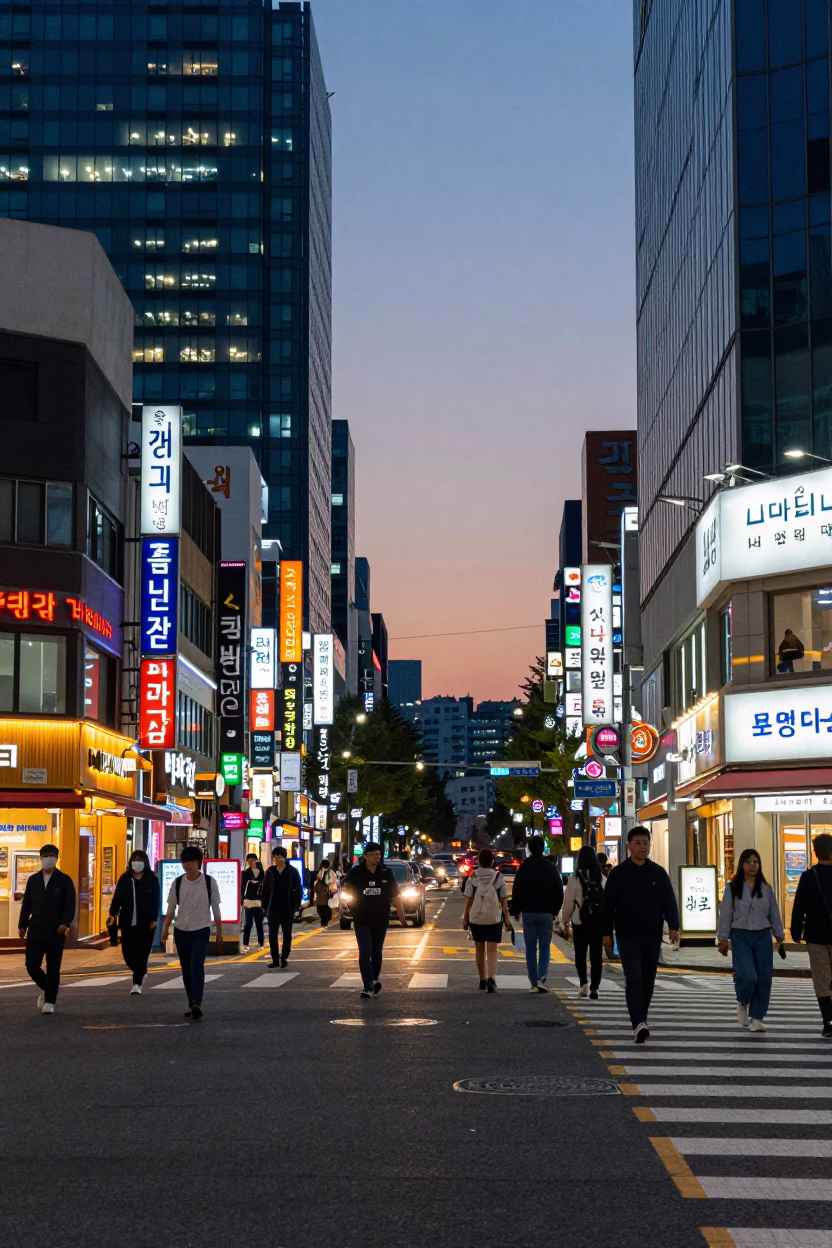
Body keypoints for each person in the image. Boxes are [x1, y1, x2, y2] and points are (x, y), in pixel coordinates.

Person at [602, 826, 680, 1043]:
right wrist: (606, 933)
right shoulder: (618, 874)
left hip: (652, 934)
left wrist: (674, 926)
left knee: (648, 980)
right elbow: (608, 907)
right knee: (634, 977)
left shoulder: (658, 873)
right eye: (637, 842)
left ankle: (641, 1021)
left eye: (646, 842)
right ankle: (638, 1022)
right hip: (627, 935)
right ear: (629, 847)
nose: (642, 846)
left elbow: (669, 901)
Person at [718, 848, 785, 1032]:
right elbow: (725, 914)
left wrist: (779, 934)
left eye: (755, 862)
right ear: (742, 865)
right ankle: (742, 1001)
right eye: (748, 862)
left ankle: (757, 1018)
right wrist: (722, 938)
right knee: (747, 975)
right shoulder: (732, 888)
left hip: (763, 936)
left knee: (763, 978)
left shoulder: (766, 888)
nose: (752, 865)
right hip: (740, 936)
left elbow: (774, 912)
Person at [160, 846, 222, 1020]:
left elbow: (216, 908)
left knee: (197, 965)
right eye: (184, 862)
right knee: (186, 968)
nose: (186, 865)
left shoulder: (209, 882)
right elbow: (171, 909)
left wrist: (219, 932)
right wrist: (165, 930)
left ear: (198, 862)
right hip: (181, 930)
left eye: (190, 862)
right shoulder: (178, 883)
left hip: (202, 929)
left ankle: (197, 1003)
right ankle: (191, 1002)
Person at [17, 843, 76, 1015]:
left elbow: (70, 904)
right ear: (40, 858)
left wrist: (65, 923)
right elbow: (26, 904)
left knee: (53, 967)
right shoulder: (33, 880)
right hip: (35, 929)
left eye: (52, 855)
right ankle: (47, 988)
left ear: (57, 858)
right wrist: (22, 925)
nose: (48, 858)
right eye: (45, 855)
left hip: (56, 931)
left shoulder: (64, 880)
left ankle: (50, 1001)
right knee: (31, 965)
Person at [342, 844, 407, 997]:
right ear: (366, 856)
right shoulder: (356, 872)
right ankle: (368, 985)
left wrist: (401, 912)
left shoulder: (385, 872)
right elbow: (346, 890)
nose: (376, 858)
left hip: (381, 918)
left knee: (377, 951)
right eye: (373, 855)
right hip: (361, 919)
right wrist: (352, 906)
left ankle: (374, 979)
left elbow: (395, 894)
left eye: (378, 855)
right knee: (365, 951)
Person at [791, 833, 832, 1038]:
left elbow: (799, 906)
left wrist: (795, 930)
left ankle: (829, 1022)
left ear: (815, 853)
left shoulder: (808, 877)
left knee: (822, 980)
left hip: (816, 935)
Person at [511, 834, 564, 992]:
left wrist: (516, 910)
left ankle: (534, 981)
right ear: (543, 849)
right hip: (547, 913)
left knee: (531, 948)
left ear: (529, 849)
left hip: (528, 912)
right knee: (545, 947)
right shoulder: (551, 868)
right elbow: (559, 892)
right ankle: (542, 977)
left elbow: (517, 891)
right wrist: (554, 911)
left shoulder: (524, 868)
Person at [107, 849, 160, 993]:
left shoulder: (152, 879)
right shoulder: (125, 879)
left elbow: (156, 900)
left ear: (145, 862)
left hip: (146, 922)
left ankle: (137, 984)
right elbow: (117, 898)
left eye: (140, 860)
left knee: (142, 952)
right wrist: (112, 914)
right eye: (135, 860)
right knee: (127, 953)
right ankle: (141, 971)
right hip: (127, 921)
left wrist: (154, 918)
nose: (137, 863)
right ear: (130, 862)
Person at [463, 847, 512, 993]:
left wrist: (465, 917)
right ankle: (492, 979)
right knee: (492, 949)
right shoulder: (498, 877)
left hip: (476, 918)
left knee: (479, 948)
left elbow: (469, 900)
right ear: (492, 861)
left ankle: (482, 980)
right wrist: (507, 919)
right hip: (494, 918)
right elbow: (503, 901)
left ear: (478, 861)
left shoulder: (473, 877)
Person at [562, 845, 606, 999]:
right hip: (597, 923)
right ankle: (595, 988)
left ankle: (583, 984)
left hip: (579, 921)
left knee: (580, 954)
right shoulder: (602, 878)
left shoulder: (574, 878)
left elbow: (568, 902)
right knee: (596, 955)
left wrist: (564, 920)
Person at [262, 846, 302, 968]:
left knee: (287, 934)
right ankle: (275, 959)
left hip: (287, 908)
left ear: (284, 857)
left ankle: (284, 957)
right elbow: (265, 889)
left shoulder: (292, 871)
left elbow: (298, 889)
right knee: (272, 935)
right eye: (275, 857)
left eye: (279, 857)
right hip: (273, 908)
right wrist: (264, 906)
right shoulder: (270, 871)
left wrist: (296, 906)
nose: (276, 859)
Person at [240, 852, 265, 952]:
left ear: (256, 861)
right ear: (247, 862)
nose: (251, 862)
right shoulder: (245, 873)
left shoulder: (261, 872)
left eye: (253, 860)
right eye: (249, 860)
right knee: (248, 923)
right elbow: (242, 887)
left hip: (258, 900)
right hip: (248, 900)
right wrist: (242, 899)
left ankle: (261, 942)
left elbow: (264, 886)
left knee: (259, 923)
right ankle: (245, 943)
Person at [313, 858, 337, 928]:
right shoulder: (323, 871)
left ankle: (324, 923)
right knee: (322, 908)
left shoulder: (328, 872)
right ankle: (324, 923)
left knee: (323, 908)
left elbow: (331, 882)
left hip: (324, 893)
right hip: (322, 893)